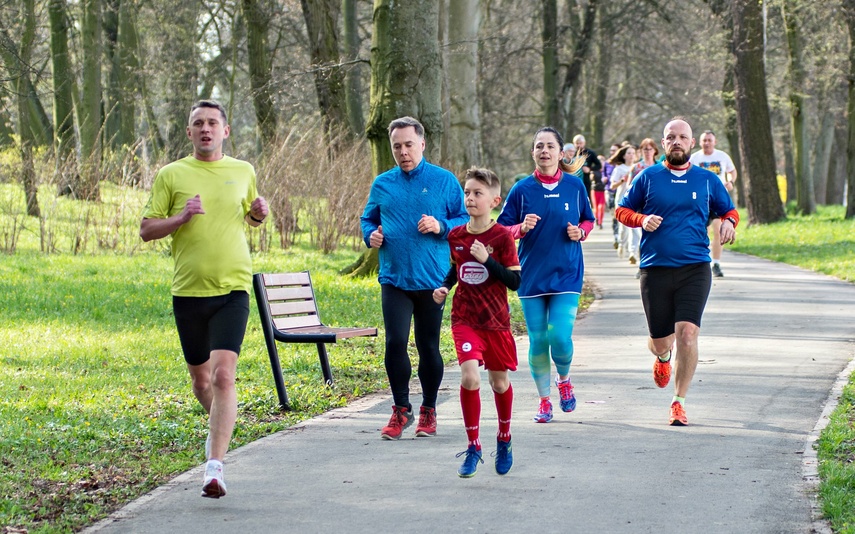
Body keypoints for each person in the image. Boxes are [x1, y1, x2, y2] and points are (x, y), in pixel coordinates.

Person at [139, 100, 269, 498]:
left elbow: (246, 216)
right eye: (198, 123)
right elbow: (146, 229)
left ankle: (215, 467)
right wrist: (180, 218)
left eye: (213, 122)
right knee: (201, 382)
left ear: (226, 131)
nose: (206, 129)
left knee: (223, 375)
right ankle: (221, 427)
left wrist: (258, 215)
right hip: (188, 292)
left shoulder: (243, 171)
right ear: (189, 132)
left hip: (233, 287)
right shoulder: (171, 174)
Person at [615, 117, 738, 426]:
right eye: (671, 137)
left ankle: (678, 402)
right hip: (655, 268)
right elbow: (622, 210)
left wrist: (729, 222)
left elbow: (729, 209)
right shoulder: (648, 177)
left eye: (683, 137)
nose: (677, 142)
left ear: (692, 144)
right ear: (664, 142)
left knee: (687, 333)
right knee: (662, 341)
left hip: (695, 267)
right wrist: (641, 220)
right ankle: (662, 357)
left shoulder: (707, 180)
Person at [360, 116, 469, 440]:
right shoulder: (383, 183)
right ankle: (401, 409)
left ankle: (429, 410)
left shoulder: (444, 180)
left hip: (432, 279)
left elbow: (462, 218)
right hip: (394, 277)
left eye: (409, 144)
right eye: (397, 146)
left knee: (428, 346)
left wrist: (441, 226)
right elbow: (368, 219)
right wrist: (371, 236)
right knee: (395, 342)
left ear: (422, 143)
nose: (403, 151)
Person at [497, 127, 595, 424]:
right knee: (539, 340)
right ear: (533, 153)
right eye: (539, 146)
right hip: (531, 275)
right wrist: (520, 229)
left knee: (560, 337)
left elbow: (588, 220)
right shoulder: (522, 190)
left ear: (560, 152)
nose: (544, 151)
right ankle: (543, 401)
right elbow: (501, 230)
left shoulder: (575, 187)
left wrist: (581, 232)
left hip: (567, 272)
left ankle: (564, 380)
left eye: (549, 146)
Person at [432, 167, 521, 478]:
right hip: (465, 319)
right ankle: (473, 446)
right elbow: (456, 270)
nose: (470, 198)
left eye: (477, 193)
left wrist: (488, 260)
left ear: (494, 200)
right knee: (470, 377)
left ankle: (505, 438)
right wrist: (445, 286)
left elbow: (514, 281)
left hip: (495, 322)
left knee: (499, 383)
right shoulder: (456, 236)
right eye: (467, 192)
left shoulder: (502, 237)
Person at [689, 130, 737, 278]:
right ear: (699, 142)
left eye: (710, 140)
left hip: (718, 197)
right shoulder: (695, 158)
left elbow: (732, 171)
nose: (707, 143)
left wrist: (731, 182)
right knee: (702, 231)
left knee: (718, 229)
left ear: (714, 142)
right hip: (700, 199)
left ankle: (715, 263)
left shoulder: (722, 156)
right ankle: (699, 262)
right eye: (704, 140)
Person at [626, 138, 660, 275]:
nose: (647, 152)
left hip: (658, 204)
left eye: (650, 149)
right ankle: (643, 265)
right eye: (644, 149)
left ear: (655, 151)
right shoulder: (636, 168)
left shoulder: (661, 167)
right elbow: (629, 186)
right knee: (643, 235)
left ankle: (657, 263)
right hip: (642, 205)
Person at [607, 144, 636, 262]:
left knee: (633, 227)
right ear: (624, 156)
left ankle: (632, 252)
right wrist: (622, 180)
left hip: (634, 200)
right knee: (623, 228)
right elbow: (612, 186)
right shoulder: (619, 168)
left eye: (633, 153)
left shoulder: (636, 167)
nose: (631, 155)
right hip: (621, 200)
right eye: (629, 153)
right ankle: (621, 244)